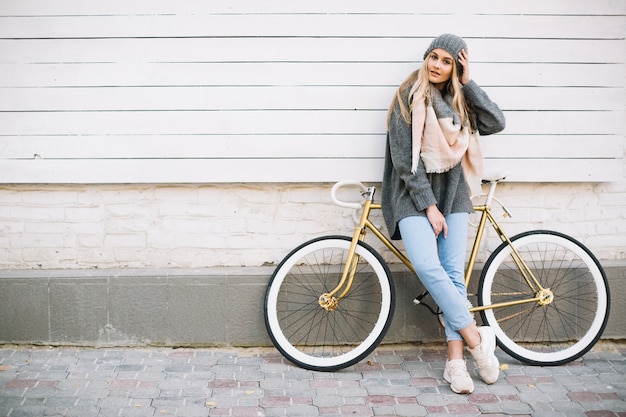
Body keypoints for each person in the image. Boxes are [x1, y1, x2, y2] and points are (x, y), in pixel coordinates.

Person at [382, 34, 506, 394]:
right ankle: (475, 337)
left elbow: (496, 121)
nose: (436, 65)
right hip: (411, 195)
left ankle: (456, 363)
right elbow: (405, 161)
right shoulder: (408, 97)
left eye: (446, 61)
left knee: (453, 275)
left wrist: (469, 83)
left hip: (454, 194)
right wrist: (428, 206)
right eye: (433, 57)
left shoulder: (460, 101)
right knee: (427, 265)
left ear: (455, 67)